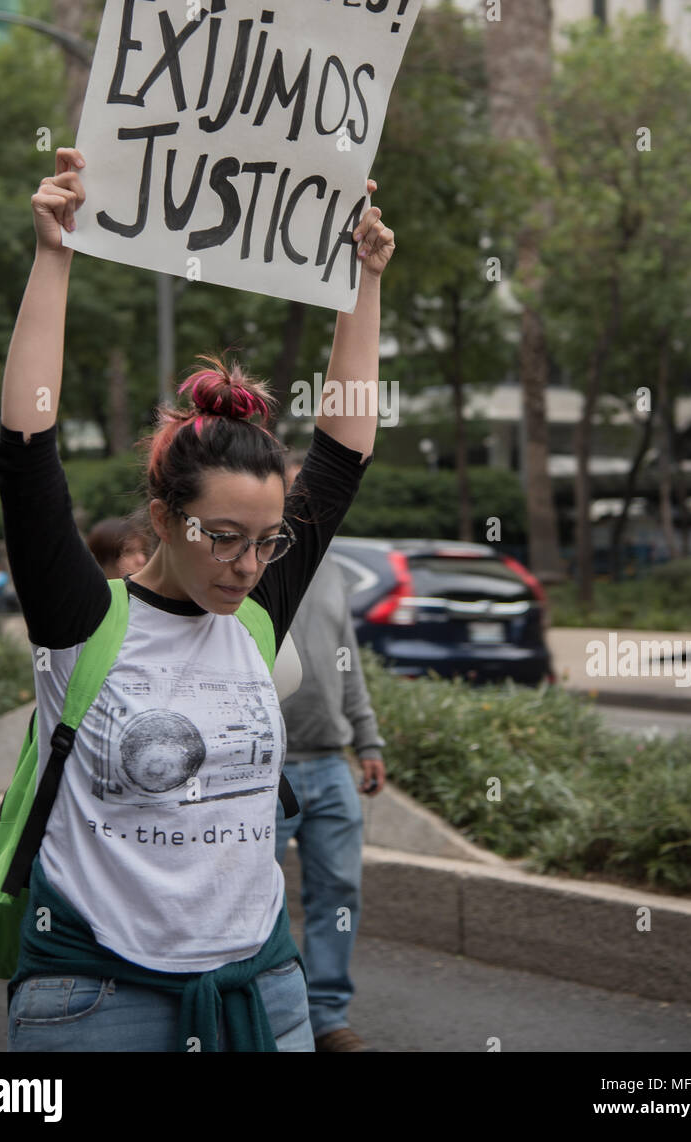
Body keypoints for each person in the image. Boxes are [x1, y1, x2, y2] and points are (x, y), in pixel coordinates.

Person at [0, 146, 394, 1052]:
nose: (248, 565)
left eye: (267, 541)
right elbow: (26, 450)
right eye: (222, 537)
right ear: (163, 519)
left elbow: (342, 452)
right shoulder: (83, 621)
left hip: (263, 990)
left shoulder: (254, 613)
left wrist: (362, 282)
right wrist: (54, 256)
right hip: (97, 999)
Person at [275, 451, 386, 1052]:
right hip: (263, 772)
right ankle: (271, 1011)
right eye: (296, 495)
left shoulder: (333, 570)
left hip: (330, 762)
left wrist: (367, 740)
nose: (305, 507)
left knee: (338, 894)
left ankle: (326, 1019)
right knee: (252, 900)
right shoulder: (252, 566)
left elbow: (349, 665)